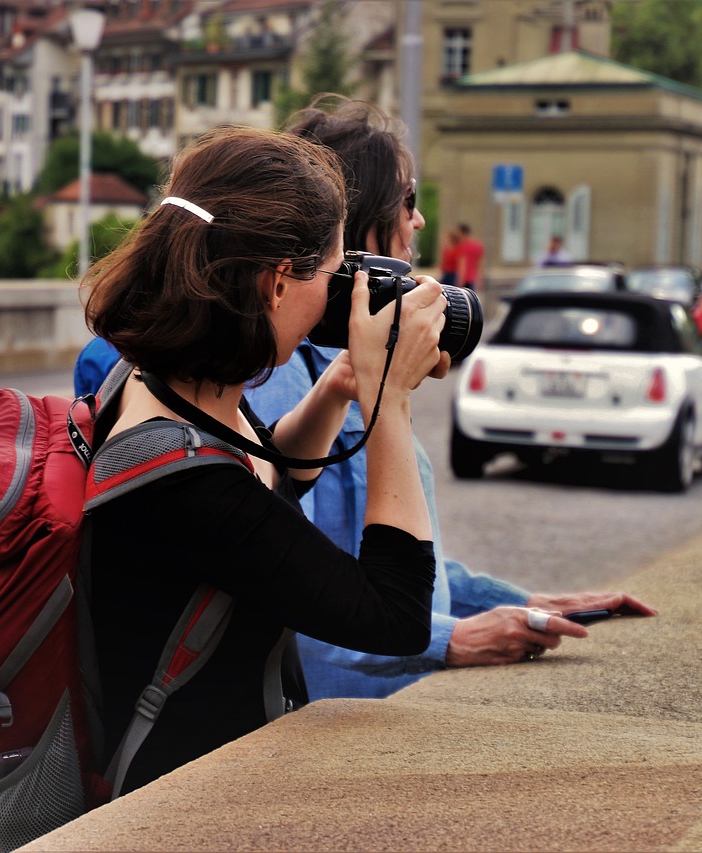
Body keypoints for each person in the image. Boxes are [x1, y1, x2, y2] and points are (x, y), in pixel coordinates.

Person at [245, 96, 656, 700]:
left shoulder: (341, 360)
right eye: (408, 201)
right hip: (325, 724)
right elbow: (284, 585)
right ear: (356, 223)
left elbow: (391, 560)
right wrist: (452, 640)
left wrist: (518, 604)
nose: (419, 223)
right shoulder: (279, 372)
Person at [82, 125, 450, 794]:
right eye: (336, 276)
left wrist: (340, 385)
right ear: (278, 284)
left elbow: (266, 480)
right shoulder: (186, 485)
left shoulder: (161, 384)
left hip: (200, 778)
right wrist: (387, 399)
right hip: (179, 803)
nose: (339, 296)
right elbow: (394, 618)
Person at [456, 222, 484, 290]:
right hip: (474, 278)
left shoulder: (462, 246)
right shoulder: (478, 245)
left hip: (465, 279)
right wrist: (480, 279)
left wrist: (460, 280)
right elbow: (480, 264)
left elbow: (463, 264)